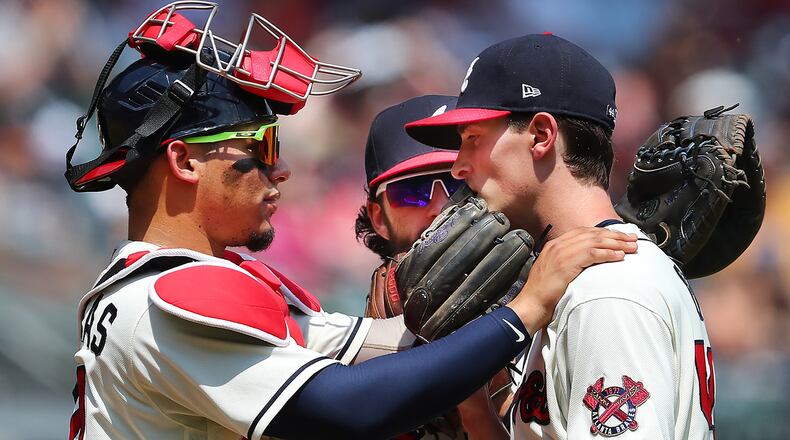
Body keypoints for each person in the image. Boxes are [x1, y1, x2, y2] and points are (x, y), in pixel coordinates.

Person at [66, 7, 639, 440]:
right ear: (185, 161)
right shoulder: (175, 296)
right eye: (259, 145)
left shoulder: (174, 283)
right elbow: (345, 408)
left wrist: (614, 248)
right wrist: (525, 310)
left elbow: (399, 344)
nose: (281, 168)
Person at [405, 33, 716, 439]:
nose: (459, 167)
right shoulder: (581, 277)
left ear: (541, 135)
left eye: (473, 139)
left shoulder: (609, 288)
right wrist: (475, 408)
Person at [356, 95, 514, 439]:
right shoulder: (351, 364)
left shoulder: (567, 299)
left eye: (458, 182)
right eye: (413, 192)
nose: (441, 206)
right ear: (379, 217)